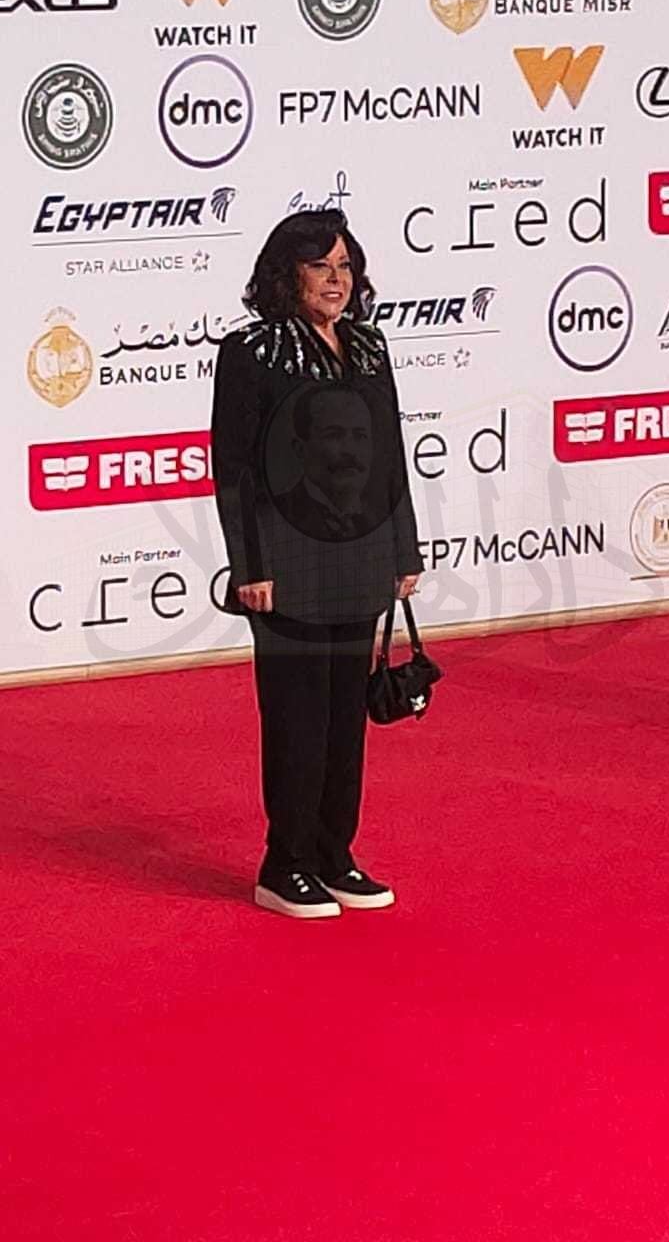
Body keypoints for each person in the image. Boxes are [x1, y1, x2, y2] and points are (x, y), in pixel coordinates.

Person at [211, 209, 423, 919]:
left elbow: (390, 452)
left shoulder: (368, 344)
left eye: (344, 266)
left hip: (360, 553)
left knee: (343, 720)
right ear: (287, 274)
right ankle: (285, 864)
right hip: (285, 560)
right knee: (297, 718)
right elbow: (235, 468)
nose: (336, 280)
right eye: (319, 266)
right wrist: (250, 566)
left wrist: (403, 548)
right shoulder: (252, 350)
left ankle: (335, 856)